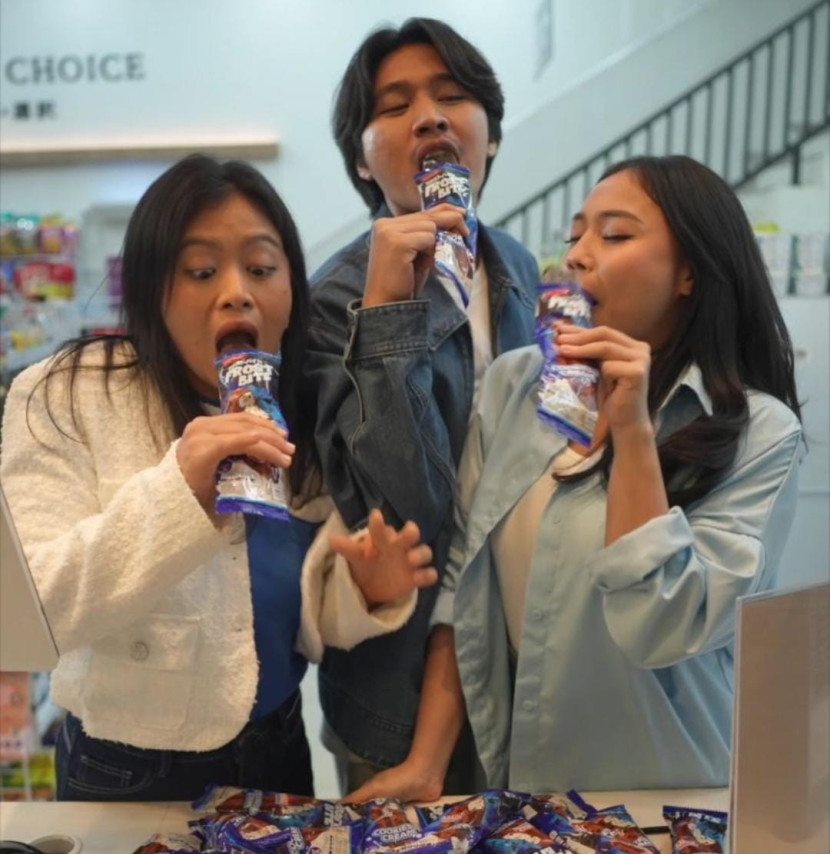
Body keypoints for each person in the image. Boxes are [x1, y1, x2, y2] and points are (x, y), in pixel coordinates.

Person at [350, 154, 804, 799]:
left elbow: (661, 625)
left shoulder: (761, 433)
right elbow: (463, 583)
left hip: (674, 804)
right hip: (525, 797)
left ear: (690, 273)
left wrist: (634, 431)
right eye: (575, 237)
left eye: (615, 235)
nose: (579, 256)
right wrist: (427, 763)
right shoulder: (517, 384)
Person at [0, 154, 438, 801]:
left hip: (278, 752)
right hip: (126, 769)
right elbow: (28, 616)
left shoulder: (301, 406)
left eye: (262, 268)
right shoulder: (65, 394)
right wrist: (178, 488)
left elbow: (291, 612)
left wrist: (363, 590)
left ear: (292, 293)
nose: (236, 291)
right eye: (201, 271)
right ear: (151, 291)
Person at [306, 18, 539, 795]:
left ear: (491, 136)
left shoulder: (520, 271)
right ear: (361, 161)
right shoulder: (337, 295)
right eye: (397, 104)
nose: (431, 116)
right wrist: (386, 312)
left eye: (451, 95)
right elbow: (399, 509)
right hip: (397, 699)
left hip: (518, 667)